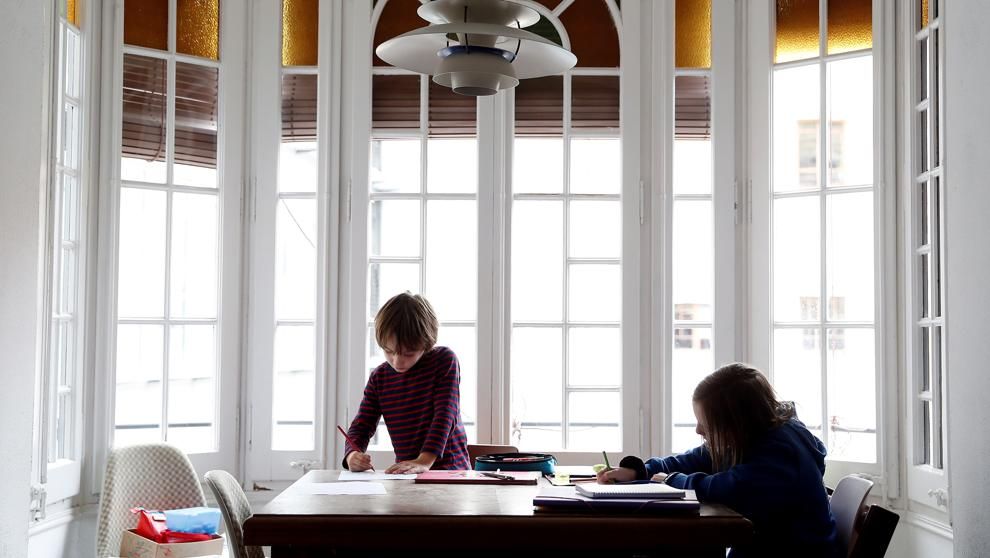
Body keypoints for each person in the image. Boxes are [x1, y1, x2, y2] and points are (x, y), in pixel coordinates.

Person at [598, 363, 839, 558]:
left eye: (707, 424)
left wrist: (670, 481)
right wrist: (640, 471)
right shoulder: (752, 435)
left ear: (735, 424)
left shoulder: (781, 454)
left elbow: (725, 489)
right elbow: (693, 460)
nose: (698, 430)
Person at [342, 292, 470, 474]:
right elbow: (362, 425)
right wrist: (352, 454)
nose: (397, 361)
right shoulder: (379, 378)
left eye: (408, 353)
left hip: (450, 472)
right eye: (389, 351)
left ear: (426, 344)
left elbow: (445, 415)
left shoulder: (444, 360)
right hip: (408, 474)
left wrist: (424, 461)